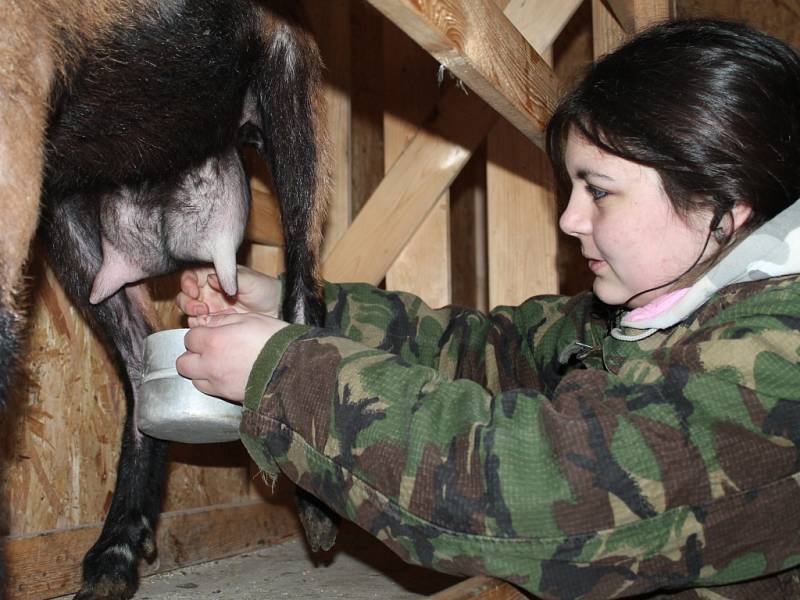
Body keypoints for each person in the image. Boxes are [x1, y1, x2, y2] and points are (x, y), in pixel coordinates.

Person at [175, 19, 800, 599]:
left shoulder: (779, 357)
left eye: (600, 191)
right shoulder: (666, 309)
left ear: (725, 199)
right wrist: (301, 307)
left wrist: (284, 373)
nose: (570, 219)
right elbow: (487, 351)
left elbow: (532, 491)